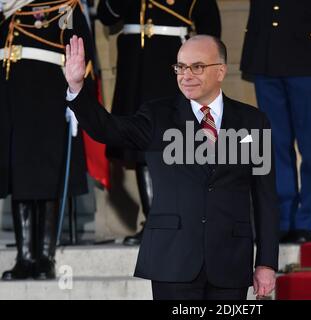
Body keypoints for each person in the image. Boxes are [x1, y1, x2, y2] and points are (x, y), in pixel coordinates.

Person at [65, 34, 279, 300]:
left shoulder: (253, 122)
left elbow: (266, 197)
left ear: (221, 71)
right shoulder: (157, 115)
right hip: (172, 261)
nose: (186, 75)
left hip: (230, 262)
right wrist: (77, 88)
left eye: (197, 67)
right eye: (180, 67)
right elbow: (108, 128)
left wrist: (267, 262)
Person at [97, 0, 221, 246]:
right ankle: (154, 220)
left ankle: (182, 219)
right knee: (141, 144)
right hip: (134, 65)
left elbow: (210, 28)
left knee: (174, 144)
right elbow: (107, 15)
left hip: (171, 64)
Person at [0, 0, 95, 280]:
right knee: (20, 177)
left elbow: (81, 51)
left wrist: (75, 94)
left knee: (46, 174)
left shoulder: (63, 6)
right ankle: (24, 257)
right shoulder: (8, 6)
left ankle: (44, 258)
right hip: (11, 99)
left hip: (48, 97)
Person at [240, 0, 311, 243]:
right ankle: (283, 219)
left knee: (310, 147)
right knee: (276, 146)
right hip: (265, 61)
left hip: (306, 61)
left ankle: (306, 222)